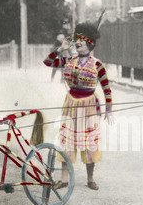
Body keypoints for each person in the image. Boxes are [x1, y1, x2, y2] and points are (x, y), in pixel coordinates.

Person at [43, 22, 113, 191]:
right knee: (67, 140)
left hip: (89, 105)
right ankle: (64, 179)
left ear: (90, 43)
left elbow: (106, 88)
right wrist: (61, 48)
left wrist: (109, 110)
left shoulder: (97, 65)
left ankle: (90, 179)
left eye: (81, 40)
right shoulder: (68, 60)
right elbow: (48, 62)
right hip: (70, 104)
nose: (78, 43)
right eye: (77, 40)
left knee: (90, 141)